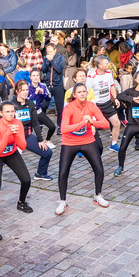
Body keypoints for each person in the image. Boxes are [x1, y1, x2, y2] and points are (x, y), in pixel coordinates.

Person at [56, 83, 109, 216]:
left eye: (84, 91)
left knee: (99, 168)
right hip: (69, 143)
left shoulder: (91, 106)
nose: (82, 94)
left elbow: (106, 124)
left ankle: (98, 195)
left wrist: (92, 122)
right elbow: (63, 129)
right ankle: (63, 201)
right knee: (63, 172)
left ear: (87, 93)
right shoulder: (69, 108)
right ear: (74, 94)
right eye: (79, 92)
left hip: (88, 141)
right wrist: (81, 124)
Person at [0, 100, 35, 217]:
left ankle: (21, 203)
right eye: (7, 112)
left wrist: (15, 134)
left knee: (26, 179)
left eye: (12, 111)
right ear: (1, 113)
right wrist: (7, 133)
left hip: (11, 153)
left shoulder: (17, 123)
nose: (11, 114)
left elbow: (23, 146)